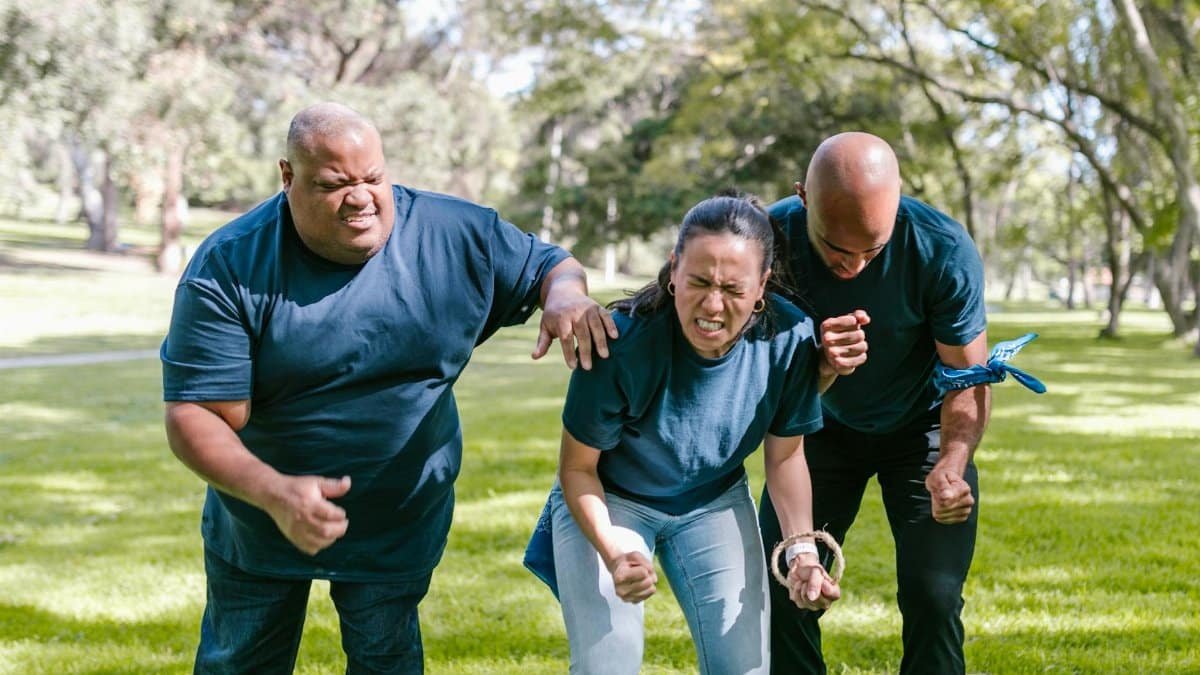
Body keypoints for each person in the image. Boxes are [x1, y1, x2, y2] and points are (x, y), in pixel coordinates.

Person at [160, 102, 616, 674]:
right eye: (334, 184)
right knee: (241, 662)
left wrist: (567, 295)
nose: (360, 197)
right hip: (260, 517)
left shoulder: (454, 235)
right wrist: (276, 493)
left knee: (386, 659)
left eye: (373, 178)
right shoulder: (230, 263)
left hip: (397, 516)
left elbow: (549, 263)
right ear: (286, 176)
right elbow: (194, 414)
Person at [539, 193, 842, 675]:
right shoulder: (618, 342)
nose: (713, 305)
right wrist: (616, 552)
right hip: (612, 499)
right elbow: (577, 470)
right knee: (607, 668)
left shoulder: (789, 337)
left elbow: (785, 458)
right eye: (698, 281)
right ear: (674, 268)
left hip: (712, 500)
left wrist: (803, 551)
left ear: (762, 284)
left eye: (733, 288)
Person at [758, 131, 990, 675]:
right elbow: (744, 368)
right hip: (815, 429)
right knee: (784, 589)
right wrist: (816, 366)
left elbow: (968, 375)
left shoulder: (941, 247)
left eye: (874, 250)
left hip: (922, 431)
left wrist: (953, 466)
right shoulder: (767, 240)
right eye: (837, 249)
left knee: (934, 597)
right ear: (803, 197)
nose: (855, 268)